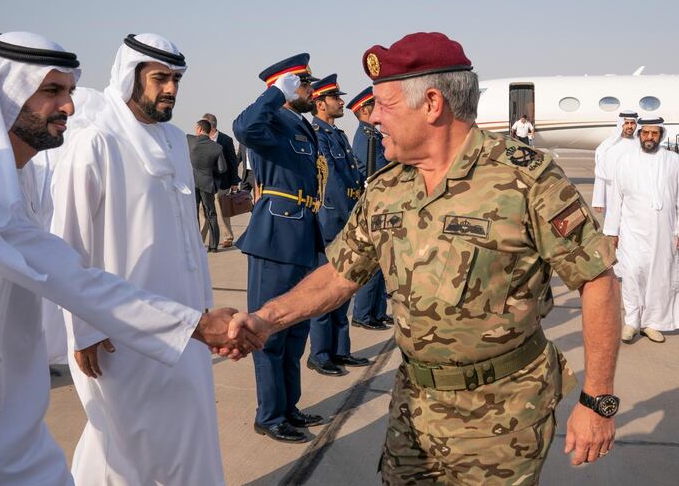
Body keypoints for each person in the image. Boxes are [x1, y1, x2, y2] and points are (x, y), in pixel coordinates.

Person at [229, 32, 622, 481]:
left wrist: (598, 400)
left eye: (384, 104)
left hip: (505, 416)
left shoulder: (526, 178)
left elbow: (597, 280)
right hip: (413, 411)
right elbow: (339, 275)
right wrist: (266, 319)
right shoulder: (386, 188)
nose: (373, 117)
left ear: (432, 103)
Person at [0, 32, 254, 485]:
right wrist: (194, 325)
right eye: (51, 92)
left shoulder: (20, 179)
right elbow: (69, 273)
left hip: (10, 424)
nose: (70, 107)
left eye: (70, 91)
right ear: (4, 94)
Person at [50, 33, 233, 485]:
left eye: (175, 79)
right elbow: (67, 243)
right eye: (159, 78)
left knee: (189, 432)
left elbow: (188, 236)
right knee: (123, 444)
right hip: (116, 331)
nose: (170, 89)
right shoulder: (94, 141)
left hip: (187, 322)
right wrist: (83, 328)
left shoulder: (174, 139)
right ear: (130, 77)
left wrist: (203, 309)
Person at [233, 53, 327, 443]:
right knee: (269, 331)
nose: (310, 89)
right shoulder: (271, 118)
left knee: (295, 327)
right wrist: (273, 94)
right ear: (287, 85)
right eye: (303, 83)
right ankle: (269, 415)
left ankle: (289, 407)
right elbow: (245, 128)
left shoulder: (299, 124)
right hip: (276, 235)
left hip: (303, 233)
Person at [307, 74, 369, 376]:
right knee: (324, 291)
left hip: (345, 218)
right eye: (335, 98)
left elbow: (353, 174)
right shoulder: (317, 134)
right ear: (320, 103)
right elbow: (328, 182)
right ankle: (319, 354)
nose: (341, 102)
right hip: (330, 220)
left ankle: (340, 350)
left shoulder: (339, 135)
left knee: (343, 290)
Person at [604, 116, 679, 344]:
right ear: (639, 135)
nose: (649, 137)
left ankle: (652, 323)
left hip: (664, 231)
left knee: (660, 276)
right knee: (632, 272)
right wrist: (611, 232)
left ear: (661, 136)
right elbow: (615, 198)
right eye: (645, 133)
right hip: (632, 230)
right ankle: (632, 322)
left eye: (654, 134)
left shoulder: (674, 161)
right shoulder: (625, 161)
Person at [348, 86, 392, 330]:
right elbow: (375, 172)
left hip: (380, 204)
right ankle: (363, 315)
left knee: (381, 265)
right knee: (371, 267)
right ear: (365, 109)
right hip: (372, 203)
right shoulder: (365, 136)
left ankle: (377, 312)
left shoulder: (372, 135)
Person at [200, 112, 240, 248]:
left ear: (210, 125)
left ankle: (228, 237)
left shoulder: (225, 140)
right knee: (203, 210)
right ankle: (200, 239)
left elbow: (233, 162)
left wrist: (234, 182)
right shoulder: (200, 140)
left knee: (221, 209)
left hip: (222, 182)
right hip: (205, 182)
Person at [189, 118, 227, 252]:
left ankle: (196, 244)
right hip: (207, 182)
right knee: (211, 214)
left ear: (199, 129)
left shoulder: (189, 140)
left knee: (193, 214)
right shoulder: (217, 147)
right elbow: (222, 169)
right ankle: (213, 246)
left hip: (192, 182)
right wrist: (210, 170)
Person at [592, 110, 638, 213]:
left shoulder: (640, 146)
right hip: (612, 196)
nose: (629, 126)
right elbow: (600, 174)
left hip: (635, 198)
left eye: (632, 123)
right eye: (626, 123)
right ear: (621, 124)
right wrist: (598, 201)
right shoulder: (608, 146)